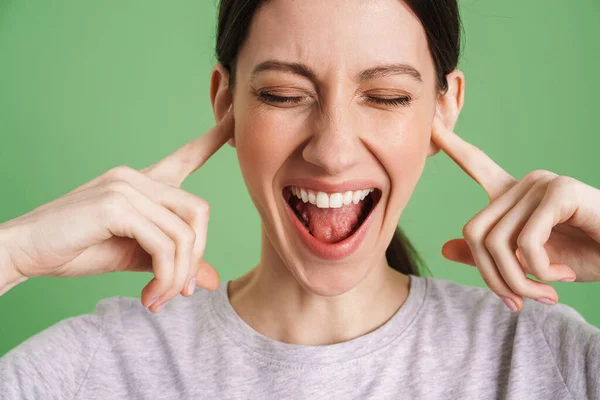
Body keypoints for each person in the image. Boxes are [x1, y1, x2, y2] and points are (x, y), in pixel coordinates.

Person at [0, 0, 599, 398]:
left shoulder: (546, 359)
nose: (333, 150)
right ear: (226, 102)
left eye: (387, 96)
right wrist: (14, 252)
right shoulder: (95, 370)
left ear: (443, 109)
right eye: (284, 94)